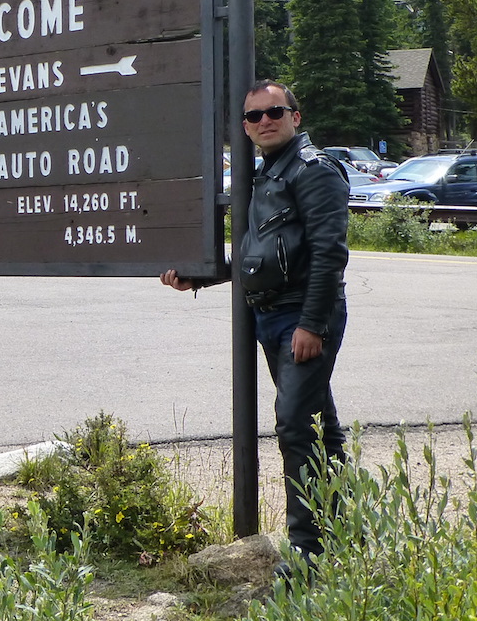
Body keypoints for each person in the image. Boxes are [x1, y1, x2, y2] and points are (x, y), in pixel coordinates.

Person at [161, 79, 349, 580]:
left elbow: (330, 254)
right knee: (318, 427)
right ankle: (347, 532)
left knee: (293, 424)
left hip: (303, 317)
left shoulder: (315, 172)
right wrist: (201, 274)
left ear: (295, 116)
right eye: (253, 116)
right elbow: (256, 257)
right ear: (244, 127)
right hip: (269, 316)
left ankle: (308, 556)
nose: (264, 121)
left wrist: (312, 324)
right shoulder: (264, 176)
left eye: (274, 112)